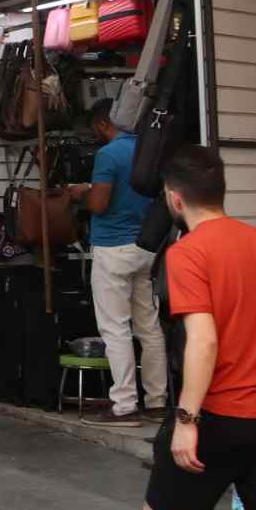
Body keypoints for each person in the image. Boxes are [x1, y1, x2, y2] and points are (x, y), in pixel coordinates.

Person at [130, 145, 256, 510]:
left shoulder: (187, 252)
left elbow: (203, 340)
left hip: (220, 414)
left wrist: (188, 420)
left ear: (174, 197)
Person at [69, 98, 170, 427]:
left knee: (115, 329)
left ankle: (124, 406)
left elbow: (99, 203)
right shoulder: (148, 151)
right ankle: (157, 402)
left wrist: (80, 193)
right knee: (149, 327)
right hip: (146, 247)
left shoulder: (107, 155)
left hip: (113, 248)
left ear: (102, 124)